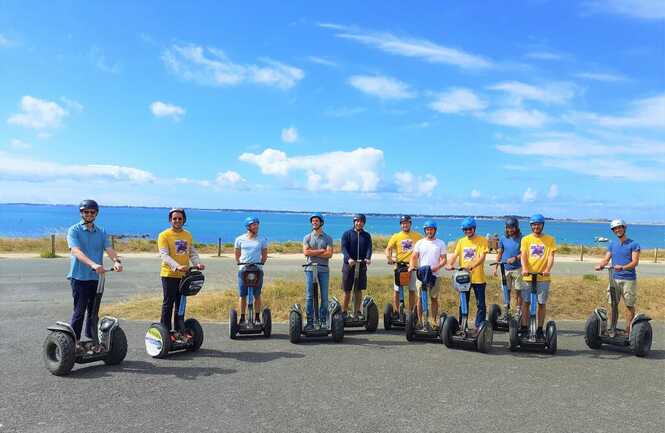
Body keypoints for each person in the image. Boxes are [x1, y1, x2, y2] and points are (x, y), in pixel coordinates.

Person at [66, 199, 123, 350]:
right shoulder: (74, 230)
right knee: (79, 311)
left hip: (96, 278)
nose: (89, 214)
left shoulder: (101, 232)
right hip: (79, 277)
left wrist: (116, 261)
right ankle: (75, 342)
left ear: (96, 213)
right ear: (81, 213)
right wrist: (93, 264)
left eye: (92, 212)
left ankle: (92, 340)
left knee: (93, 312)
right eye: (86, 212)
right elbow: (75, 251)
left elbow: (108, 248)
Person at [157, 208, 205, 340]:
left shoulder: (187, 235)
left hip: (184, 276)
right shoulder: (164, 235)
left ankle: (179, 330)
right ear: (170, 220)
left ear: (184, 220)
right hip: (169, 275)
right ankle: (165, 332)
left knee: (181, 304)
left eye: (180, 218)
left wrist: (198, 263)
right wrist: (177, 266)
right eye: (174, 218)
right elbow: (164, 255)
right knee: (168, 303)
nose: (177, 221)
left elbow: (191, 252)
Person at [595, 219, 640, 335]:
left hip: (628, 279)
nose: (617, 230)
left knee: (629, 305)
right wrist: (601, 265)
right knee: (613, 304)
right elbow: (606, 258)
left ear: (624, 228)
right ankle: (612, 329)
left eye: (619, 227)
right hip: (614, 278)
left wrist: (623, 267)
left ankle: (628, 331)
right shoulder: (612, 244)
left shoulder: (634, 244)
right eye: (615, 229)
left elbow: (635, 262)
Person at [446, 217, 488, 329]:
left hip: (478, 278)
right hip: (464, 278)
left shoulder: (482, 240)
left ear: (474, 228)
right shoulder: (461, 241)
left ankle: (479, 326)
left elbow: (482, 257)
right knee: (463, 303)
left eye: (469, 229)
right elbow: (455, 255)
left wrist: (472, 266)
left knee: (480, 304)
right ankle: (462, 325)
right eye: (465, 229)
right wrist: (450, 263)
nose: (467, 231)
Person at [520, 213, 557, 339]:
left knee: (541, 303)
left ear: (542, 225)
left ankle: (540, 329)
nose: (536, 227)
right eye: (534, 224)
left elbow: (551, 256)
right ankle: (524, 327)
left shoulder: (550, 239)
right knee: (526, 302)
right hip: (528, 276)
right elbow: (524, 255)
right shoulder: (526, 239)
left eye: (539, 224)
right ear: (531, 226)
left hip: (543, 277)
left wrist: (547, 269)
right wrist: (524, 268)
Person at [409, 220, 446, 329]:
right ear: (425, 230)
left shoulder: (440, 243)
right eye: (427, 229)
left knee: (434, 298)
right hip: (421, 274)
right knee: (420, 298)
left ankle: (433, 321)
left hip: (435, 275)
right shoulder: (420, 243)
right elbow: (413, 257)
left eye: (431, 229)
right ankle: (420, 321)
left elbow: (444, 260)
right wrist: (411, 265)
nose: (429, 231)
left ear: (435, 230)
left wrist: (436, 267)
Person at [385, 215, 422, 315]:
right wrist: (389, 258)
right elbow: (388, 249)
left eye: (407, 223)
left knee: (412, 289)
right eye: (403, 223)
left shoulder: (417, 236)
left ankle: (410, 312)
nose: (405, 225)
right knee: (397, 289)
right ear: (401, 225)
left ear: (410, 224)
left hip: (412, 267)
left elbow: (423, 248)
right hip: (399, 266)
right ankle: (397, 311)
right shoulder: (396, 236)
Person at [234, 216, 268, 324]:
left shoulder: (262, 239)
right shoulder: (239, 239)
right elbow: (237, 254)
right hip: (244, 269)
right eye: (254, 225)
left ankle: (257, 317)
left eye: (257, 224)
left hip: (257, 269)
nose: (256, 226)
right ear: (248, 226)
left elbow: (264, 255)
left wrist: (261, 264)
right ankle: (242, 317)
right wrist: (240, 264)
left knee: (257, 294)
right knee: (242, 294)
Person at [303, 213, 334, 330]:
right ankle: (310, 321)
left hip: (323, 270)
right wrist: (321, 250)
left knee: (324, 297)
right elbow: (306, 253)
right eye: (313, 221)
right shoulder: (307, 237)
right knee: (309, 296)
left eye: (316, 221)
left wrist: (314, 251)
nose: (314, 223)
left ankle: (323, 320)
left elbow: (329, 254)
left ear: (321, 222)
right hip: (310, 269)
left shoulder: (328, 238)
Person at [341, 213, 372, 319]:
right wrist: (348, 258)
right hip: (349, 265)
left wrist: (368, 258)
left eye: (361, 221)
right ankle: (344, 311)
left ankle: (358, 311)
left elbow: (369, 248)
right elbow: (344, 248)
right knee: (347, 290)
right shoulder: (347, 234)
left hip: (361, 265)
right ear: (354, 222)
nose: (359, 223)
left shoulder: (366, 235)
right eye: (357, 221)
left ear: (363, 223)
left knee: (359, 290)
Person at [493, 216, 524, 320]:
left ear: (516, 227)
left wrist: (515, 258)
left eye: (512, 227)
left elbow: (524, 254)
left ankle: (518, 311)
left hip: (518, 268)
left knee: (518, 291)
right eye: (508, 227)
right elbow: (500, 253)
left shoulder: (522, 238)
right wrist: (495, 267)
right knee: (506, 290)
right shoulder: (503, 238)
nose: (510, 230)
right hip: (505, 268)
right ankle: (506, 311)